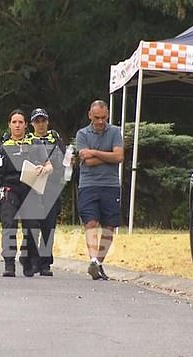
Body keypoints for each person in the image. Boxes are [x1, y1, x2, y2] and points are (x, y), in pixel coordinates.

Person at [0, 109, 52, 277]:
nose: (17, 125)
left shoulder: (35, 144)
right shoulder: (1, 146)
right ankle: (9, 263)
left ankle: (27, 260)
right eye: (14, 122)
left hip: (30, 188)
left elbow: (49, 166)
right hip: (9, 189)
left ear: (26, 125)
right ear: (9, 125)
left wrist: (43, 168)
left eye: (20, 122)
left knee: (32, 228)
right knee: (9, 225)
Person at [76, 100, 124, 280]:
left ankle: (98, 263)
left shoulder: (115, 132)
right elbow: (86, 160)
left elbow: (119, 156)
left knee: (109, 226)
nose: (100, 121)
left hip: (110, 185)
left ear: (108, 115)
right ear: (90, 115)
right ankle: (93, 259)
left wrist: (94, 152)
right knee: (90, 223)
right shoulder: (82, 134)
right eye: (96, 117)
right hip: (88, 184)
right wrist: (108, 155)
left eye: (103, 117)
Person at [27, 108, 66, 276]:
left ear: (47, 122)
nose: (40, 124)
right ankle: (33, 260)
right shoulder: (27, 140)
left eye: (43, 121)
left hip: (51, 185)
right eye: (37, 121)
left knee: (48, 226)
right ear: (32, 124)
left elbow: (64, 160)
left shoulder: (55, 139)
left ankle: (45, 264)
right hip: (32, 186)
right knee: (32, 225)